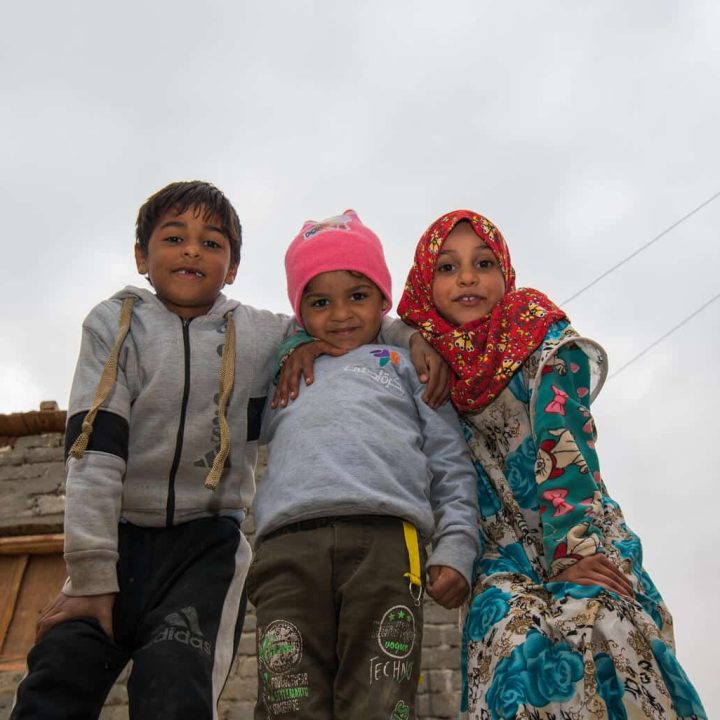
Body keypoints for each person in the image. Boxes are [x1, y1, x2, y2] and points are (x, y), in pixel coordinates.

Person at [10, 184, 438, 720]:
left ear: (232, 267)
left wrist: (409, 335)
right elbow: (93, 451)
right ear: (142, 256)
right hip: (112, 541)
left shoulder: (258, 334)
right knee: (56, 679)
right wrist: (93, 577)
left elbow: (347, 315)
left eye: (212, 243)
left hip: (205, 545)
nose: (193, 251)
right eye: (174, 238)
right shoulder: (115, 326)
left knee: (175, 688)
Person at [397, 210, 707, 720]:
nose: (468, 277)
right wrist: (408, 338)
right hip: (499, 555)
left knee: (602, 624)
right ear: (424, 288)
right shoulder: (428, 361)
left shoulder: (537, 334)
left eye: (484, 263)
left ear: (507, 276)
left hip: (579, 531)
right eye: (447, 268)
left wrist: (573, 552)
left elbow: (566, 442)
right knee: (508, 642)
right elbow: (361, 325)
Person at [246, 210, 480, 720]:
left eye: (357, 295)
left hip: (387, 545)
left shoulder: (408, 367)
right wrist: (293, 343)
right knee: (288, 703)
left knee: (379, 700)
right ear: (299, 310)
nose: (340, 314)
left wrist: (457, 543)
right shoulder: (286, 372)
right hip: (288, 550)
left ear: (382, 299)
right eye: (319, 301)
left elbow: (450, 462)